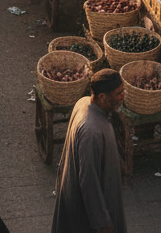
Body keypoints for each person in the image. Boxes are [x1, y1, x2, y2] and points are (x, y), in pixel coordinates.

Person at [51, 68, 127, 233]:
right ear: (102, 97)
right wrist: (102, 222)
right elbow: (88, 180)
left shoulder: (84, 102)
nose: (123, 96)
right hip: (87, 214)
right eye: (118, 93)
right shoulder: (91, 131)